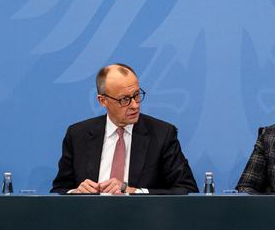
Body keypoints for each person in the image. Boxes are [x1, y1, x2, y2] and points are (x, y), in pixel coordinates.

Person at [51, 63, 198, 195]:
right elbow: (59, 190)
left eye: (136, 95)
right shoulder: (78, 135)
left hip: (142, 215)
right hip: (91, 215)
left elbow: (186, 189)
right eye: (124, 99)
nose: (135, 105)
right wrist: (75, 192)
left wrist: (135, 191)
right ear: (103, 101)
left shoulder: (162, 134)